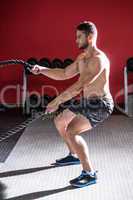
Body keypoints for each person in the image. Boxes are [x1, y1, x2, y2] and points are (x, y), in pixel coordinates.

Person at [31, 21, 114, 188]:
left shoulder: (98, 60)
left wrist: (56, 101)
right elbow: (64, 73)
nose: (76, 40)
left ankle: (89, 173)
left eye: (79, 37)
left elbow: (79, 86)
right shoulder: (82, 58)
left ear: (90, 37)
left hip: (101, 104)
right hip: (87, 101)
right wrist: (42, 69)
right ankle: (73, 155)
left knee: (72, 131)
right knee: (60, 120)